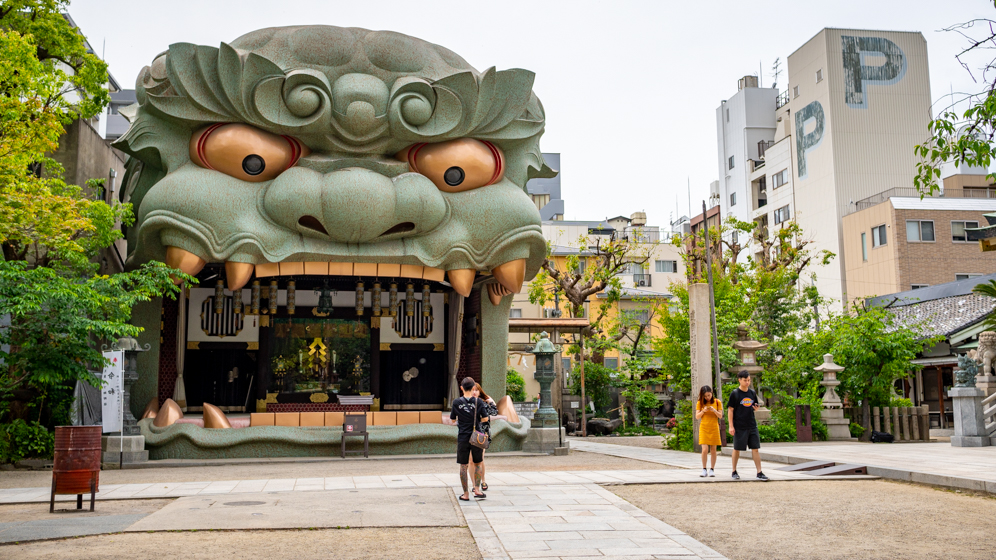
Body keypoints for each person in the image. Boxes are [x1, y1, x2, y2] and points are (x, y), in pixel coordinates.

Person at [450, 376, 490, 500]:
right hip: (476, 436)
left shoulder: (456, 402)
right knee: (478, 463)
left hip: (463, 437)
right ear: (473, 388)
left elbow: (452, 420)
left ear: (461, 388)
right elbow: (485, 419)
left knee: (463, 465)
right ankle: (477, 490)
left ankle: (465, 494)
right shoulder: (479, 402)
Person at [727, 370, 768, 481]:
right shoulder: (735, 394)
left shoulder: (752, 393)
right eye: (745, 380)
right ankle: (734, 470)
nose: (747, 382)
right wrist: (731, 426)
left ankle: (759, 472)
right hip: (739, 425)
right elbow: (730, 410)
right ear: (739, 380)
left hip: (751, 424)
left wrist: (756, 408)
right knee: (737, 448)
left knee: (755, 448)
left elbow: (753, 405)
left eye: (749, 380)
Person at [473, 383, 500, 491]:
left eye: (477, 390)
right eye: (472, 390)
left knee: (480, 459)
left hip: (483, 434)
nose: (474, 392)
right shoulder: (468, 403)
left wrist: (491, 401)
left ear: (480, 392)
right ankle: (475, 483)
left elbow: (494, 412)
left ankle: (482, 481)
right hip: (470, 433)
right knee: (471, 460)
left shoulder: (483, 403)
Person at [695, 385, 722, 477]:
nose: (707, 398)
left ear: (712, 393)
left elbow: (720, 416)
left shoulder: (717, 402)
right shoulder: (700, 403)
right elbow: (697, 416)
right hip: (704, 427)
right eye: (705, 396)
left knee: (713, 450)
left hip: (714, 427)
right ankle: (704, 469)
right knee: (705, 449)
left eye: (709, 395)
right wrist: (703, 411)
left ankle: (712, 469)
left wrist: (714, 410)